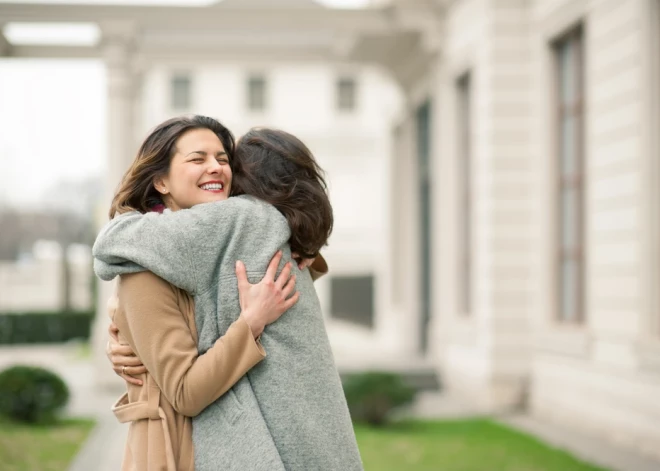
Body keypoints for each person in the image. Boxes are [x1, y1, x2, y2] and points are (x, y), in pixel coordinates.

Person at [94, 117, 363, 471]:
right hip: (177, 448)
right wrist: (250, 322)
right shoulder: (143, 270)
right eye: (197, 159)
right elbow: (185, 391)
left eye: (223, 159)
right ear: (161, 180)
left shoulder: (229, 243)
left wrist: (302, 244)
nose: (216, 168)